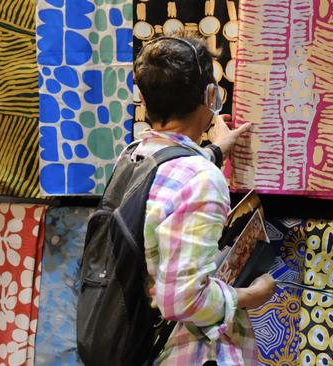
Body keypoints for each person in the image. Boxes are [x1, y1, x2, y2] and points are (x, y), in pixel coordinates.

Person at [132, 34, 277, 366]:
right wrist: (249, 296)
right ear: (211, 95)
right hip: (191, 352)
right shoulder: (199, 179)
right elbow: (183, 300)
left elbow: (172, 184)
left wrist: (215, 151)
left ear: (143, 97)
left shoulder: (135, 157)